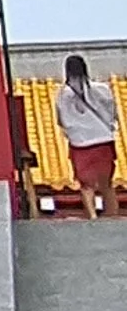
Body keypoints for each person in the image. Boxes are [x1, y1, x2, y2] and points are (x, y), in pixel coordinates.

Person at [58, 49, 118, 214]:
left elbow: (61, 120)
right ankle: (112, 215)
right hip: (103, 139)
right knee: (106, 184)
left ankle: (92, 216)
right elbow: (112, 112)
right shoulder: (102, 89)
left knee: (86, 185)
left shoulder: (63, 94)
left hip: (80, 143)